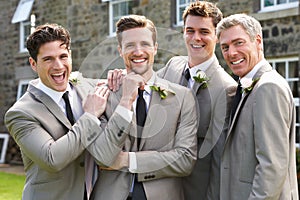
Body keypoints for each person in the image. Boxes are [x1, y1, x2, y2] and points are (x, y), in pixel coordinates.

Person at [4, 23, 133, 200]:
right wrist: (90, 116)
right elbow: (52, 159)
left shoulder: (86, 87)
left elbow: (122, 86)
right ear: (33, 64)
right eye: (48, 59)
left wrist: (120, 76)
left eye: (63, 56)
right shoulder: (21, 113)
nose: (58, 66)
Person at [90, 15, 198, 200]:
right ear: (120, 50)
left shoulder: (182, 97)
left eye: (145, 44)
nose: (138, 51)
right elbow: (103, 156)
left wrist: (127, 160)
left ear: (155, 48)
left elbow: (185, 160)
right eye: (130, 45)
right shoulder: (102, 94)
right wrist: (125, 101)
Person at [157, 2, 237, 199]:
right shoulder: (173, 65)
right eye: (190, 31)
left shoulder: (226, 89)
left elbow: (219, 160)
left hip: (195, 192)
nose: (196, 38)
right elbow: (144, 82)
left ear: (216, 37)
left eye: (204, 32)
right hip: (160, 187)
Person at [216, 13, 298, 199]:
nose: (231, 53)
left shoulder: (268, 87)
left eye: (239, 43)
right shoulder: (246, 85)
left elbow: (272, 166)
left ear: (258, 41)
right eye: (225, 47)